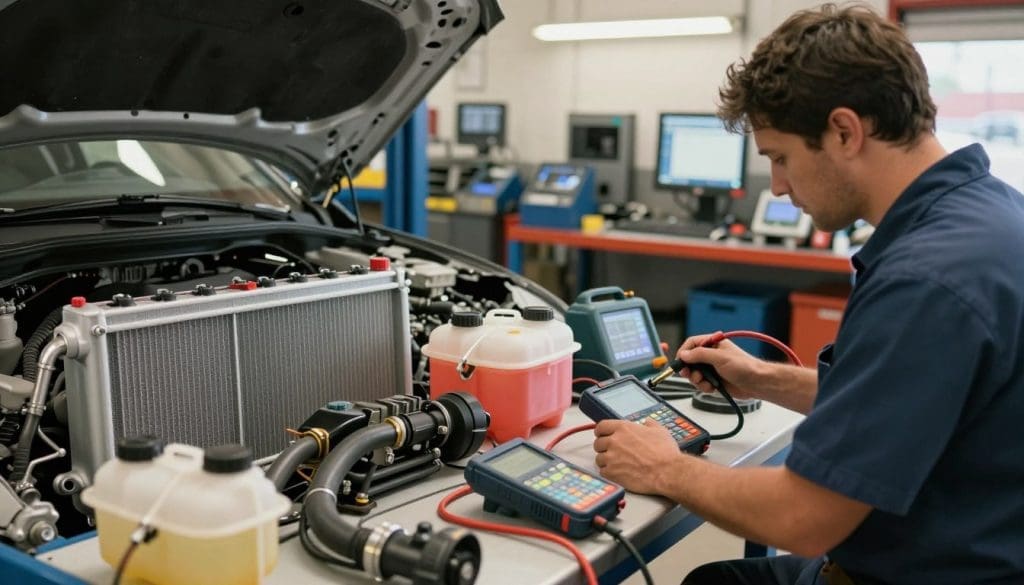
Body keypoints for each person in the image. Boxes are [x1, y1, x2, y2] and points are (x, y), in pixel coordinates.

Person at [591, 4, 1024, 585]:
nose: (778, 186)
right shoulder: (986, 214)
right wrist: (761, 379)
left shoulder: (927, 278)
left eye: (780, 157)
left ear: (844, 131)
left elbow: (804, 516)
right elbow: (900, 399)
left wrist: (664, 468)